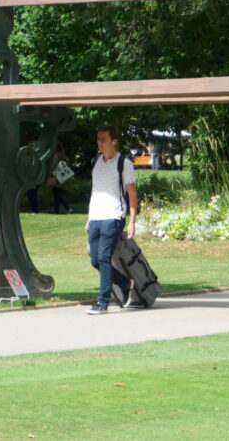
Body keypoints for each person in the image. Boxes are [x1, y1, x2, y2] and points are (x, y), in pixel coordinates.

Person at [85, 124, 137, 315]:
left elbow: (132, 194)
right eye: (98, 139)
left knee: (104, 257)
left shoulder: (124, 163)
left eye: (104, 139)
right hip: (96, 217)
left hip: (113, 216)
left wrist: (131, 221)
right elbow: (95, 190)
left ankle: (102, 302)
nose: (100, 143)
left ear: (114, 141)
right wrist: (90, 217)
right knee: (95, 260)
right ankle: (124, 283)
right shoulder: (95, 161)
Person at [48, 142, 72, 214]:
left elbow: (53, 166)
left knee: (56, 196)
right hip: (62, 179)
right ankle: (67, 208)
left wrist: (51, 175)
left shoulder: (55, 156)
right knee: (58, 195)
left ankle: (59, 210)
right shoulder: (63, 156)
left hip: (56, 178)